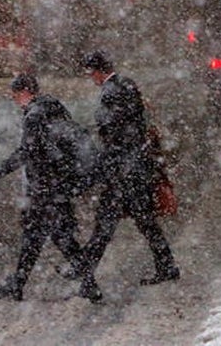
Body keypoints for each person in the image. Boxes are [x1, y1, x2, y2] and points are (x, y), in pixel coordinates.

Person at [0, 73, 102, 303]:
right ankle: (20, 284)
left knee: (55, 237)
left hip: (45, 188)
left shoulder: (34, 116)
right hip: (58, 185)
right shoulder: (54, 108)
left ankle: (88, 285)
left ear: (25, 92)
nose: (15, 100)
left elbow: (26, 153)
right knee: (40, 237)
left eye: (16, 95)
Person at [80, 50, 179, 286]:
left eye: (91, 73)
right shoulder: (127, 85)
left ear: (98, 71)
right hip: (137, 166)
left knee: (108, 221)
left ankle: (83, 270)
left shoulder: (110, 92)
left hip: (124, 171)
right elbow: (137, 126)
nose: (91, 78)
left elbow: (113, 133)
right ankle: (167, 265)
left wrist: (103, 163)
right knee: (143, 221)